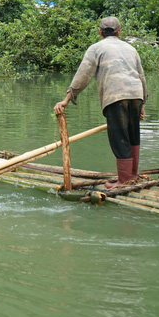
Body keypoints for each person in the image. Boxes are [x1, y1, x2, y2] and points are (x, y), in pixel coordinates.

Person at [53, 16, 147, 189]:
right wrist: (142, 104)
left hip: (115, 96)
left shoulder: (96, 48)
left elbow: (83, 75)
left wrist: (67, 99)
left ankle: (124, 180)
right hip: (136, 94)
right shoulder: (131, 48)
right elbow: (141, 76)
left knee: (119, 136)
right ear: (119, 32)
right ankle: (132, 175)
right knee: (133, 133)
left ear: (100, 32)